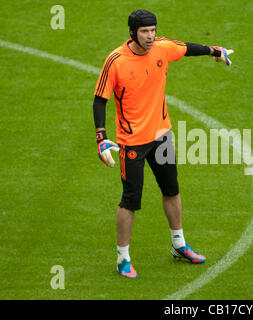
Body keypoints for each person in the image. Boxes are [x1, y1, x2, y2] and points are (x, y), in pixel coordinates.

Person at [92, 9, 234, 279]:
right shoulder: (116, 61)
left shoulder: (162, 48)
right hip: (131, 142)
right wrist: (101, 137)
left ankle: (179, 245)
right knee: (130, 200)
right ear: (133, 33)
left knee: (172, 189)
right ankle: (123, 258)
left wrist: (214, 50)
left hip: (161, 136)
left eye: (153, 30)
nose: (150, 36)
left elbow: (188, 48)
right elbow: (100, 99)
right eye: (145, 31)